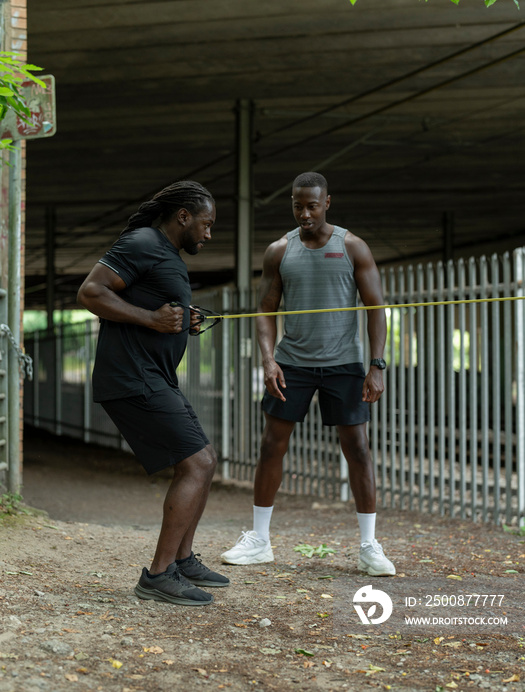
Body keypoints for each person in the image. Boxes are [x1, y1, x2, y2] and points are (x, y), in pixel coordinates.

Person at [221, 172, 395, 576]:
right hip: (293, 362)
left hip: (344, 364)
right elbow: (265, 309)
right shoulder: (280, 250)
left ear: (327, 202)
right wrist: (268, 360)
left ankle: (369, 546)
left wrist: (377, 364)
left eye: (312, 205)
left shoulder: (352, 246)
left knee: (358, 449)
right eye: (298, 206)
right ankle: (259, 541)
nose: (304, 213)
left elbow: (376, 308)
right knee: (271, 446)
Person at [77, 180, 230, 606]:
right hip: (132, 377)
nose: (208, 233)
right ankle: (158, 575)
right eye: (206, 223)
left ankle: (182, 560)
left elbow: (158, 309)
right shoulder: (143, 241)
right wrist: (150, 318)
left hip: (155, 376)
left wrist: (184, 320)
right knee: (196, 464)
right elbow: (90, 292)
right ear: (183, 216)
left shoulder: (165, 254)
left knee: (206, 460)